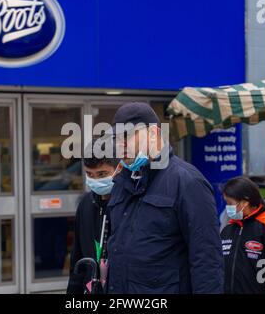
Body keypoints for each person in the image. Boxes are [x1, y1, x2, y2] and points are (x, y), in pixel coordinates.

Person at [106, 102, 224, 294]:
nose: (121, 144)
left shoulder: (187, 181)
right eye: (116, 138)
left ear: (153, 134)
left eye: (126, 135)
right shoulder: (123, 181)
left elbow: (207, 259)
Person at [66, 141, 121, 294]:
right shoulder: (85, 204)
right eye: (90, 174)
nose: (96, 180)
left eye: (102, 174)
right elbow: (77, 258)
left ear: (119, 169)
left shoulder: (128, 205)